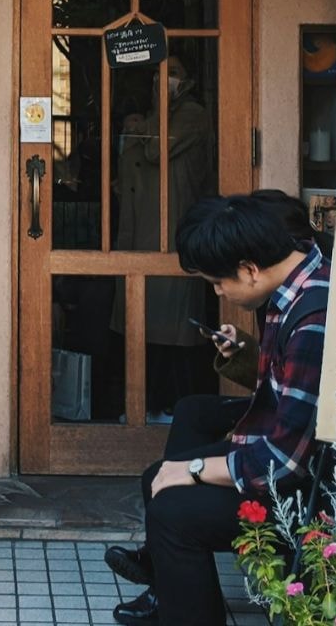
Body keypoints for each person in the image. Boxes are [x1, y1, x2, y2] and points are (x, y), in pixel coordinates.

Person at [108, 193, 331, 626]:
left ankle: (171, 589)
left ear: (249, 269)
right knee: (170, 460)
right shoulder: (295, 282)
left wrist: (194, 468)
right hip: (292, 454)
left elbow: (284, 463)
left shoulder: (312, 319)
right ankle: (170, 590)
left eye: (218, 281)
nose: (218, 292)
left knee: (171, 508)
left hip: (309, 489)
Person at [113, 55, 217, 420]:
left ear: (185, 81)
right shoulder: (157, 116)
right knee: (144, 327)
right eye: (159, 76)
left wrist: (157, 109)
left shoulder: (191, 115)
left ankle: (173, 407)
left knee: (174, 331)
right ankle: (146, 406)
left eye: (173, 73)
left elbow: (156, 149)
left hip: (173, 234)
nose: (165, 81)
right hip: (142, 232)